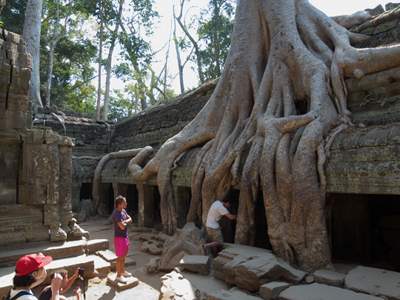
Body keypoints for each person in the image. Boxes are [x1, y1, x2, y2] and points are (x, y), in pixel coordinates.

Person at [112, 195, 133, 284]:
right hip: (119, 238)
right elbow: (122, 227)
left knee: (124, 256)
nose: (126, 203)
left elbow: (131, 219)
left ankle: (122, 271)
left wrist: (125, 222)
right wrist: (125, 222)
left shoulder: (123, 211)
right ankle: (118, 276)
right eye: (124, 202)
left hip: (125, 237)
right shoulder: (116, 213)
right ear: (120, 204)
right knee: (120, 257)